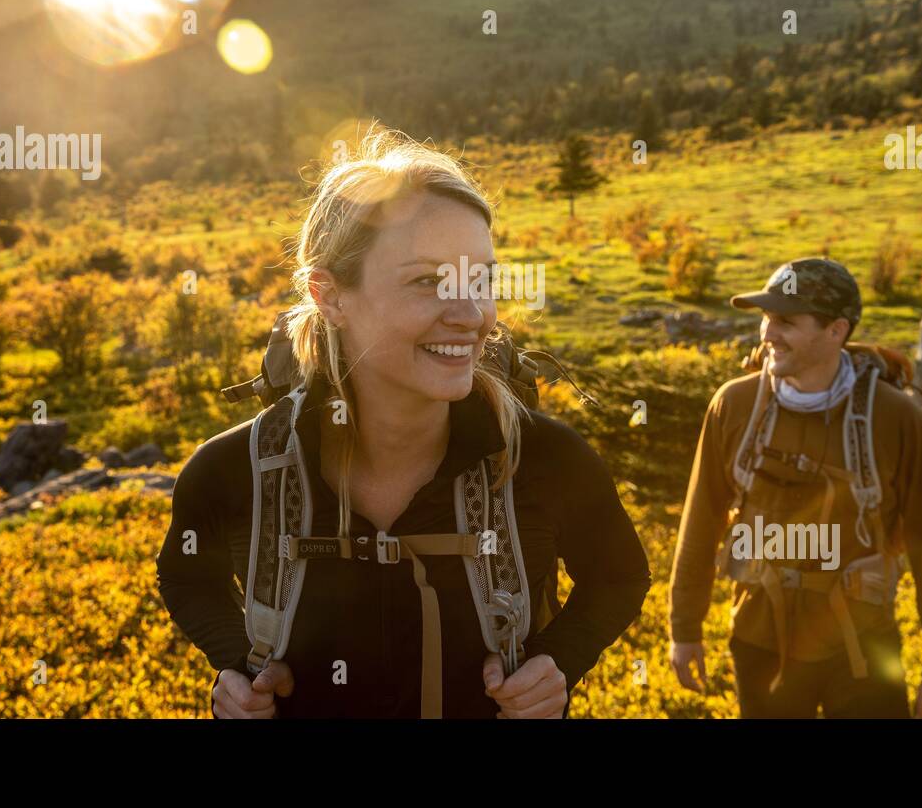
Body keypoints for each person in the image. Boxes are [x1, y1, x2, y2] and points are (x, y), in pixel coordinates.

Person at [156, 123, 650, 718]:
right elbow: (186, 576)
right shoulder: (232, 470)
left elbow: (619, 576)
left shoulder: (544, 458)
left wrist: (557, 662)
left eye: (482, 279)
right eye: (427, 281)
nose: (472, 315)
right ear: (331, 296)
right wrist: (238, 666)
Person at [667, 257, 922, 718]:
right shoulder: (734, 405)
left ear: (836, 330)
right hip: (759, 639)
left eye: (786, 321)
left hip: (865, 647)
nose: (768, 334)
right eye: (767, 319)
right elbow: (700, 522)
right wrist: (684, 629)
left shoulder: (895, 418)